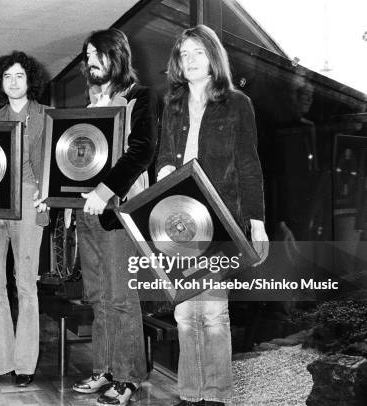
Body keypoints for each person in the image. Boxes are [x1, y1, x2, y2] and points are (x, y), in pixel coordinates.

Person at [36, 28, 157, 405]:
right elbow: (73, 163)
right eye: (87, 55)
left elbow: (142, 150)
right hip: (85, 216)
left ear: (117, 56)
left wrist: (106, 190)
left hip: (120, 212)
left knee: (122, 297)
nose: (91, 61)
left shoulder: (141, 97)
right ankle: (104, 370)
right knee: (99, 297)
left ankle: (129, 377)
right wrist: (52, 197)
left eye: (97, 54)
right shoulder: (86, 107)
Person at [155, 25, 269, 406]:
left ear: (213, 58)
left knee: (214, 313)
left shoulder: (237, 104)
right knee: (186, 313)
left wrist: (257, 223)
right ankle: (190, 393)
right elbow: (164, 157)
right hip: (180, 220)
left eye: (198, 53)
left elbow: (249, 165)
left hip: (221, 219)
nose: (189, 60)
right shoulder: (171, 104)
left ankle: (216, 395)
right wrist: (162, 173)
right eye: (184, 54)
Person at [0, 51, 48, 388]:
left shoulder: (47, 117)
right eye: (7, 77)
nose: (14, 82)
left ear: (29, 80)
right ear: (0, 83)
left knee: (25, 284)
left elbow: (58, 164)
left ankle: (24, 365)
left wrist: (46, 193)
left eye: (19, 75)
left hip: (30, 201)